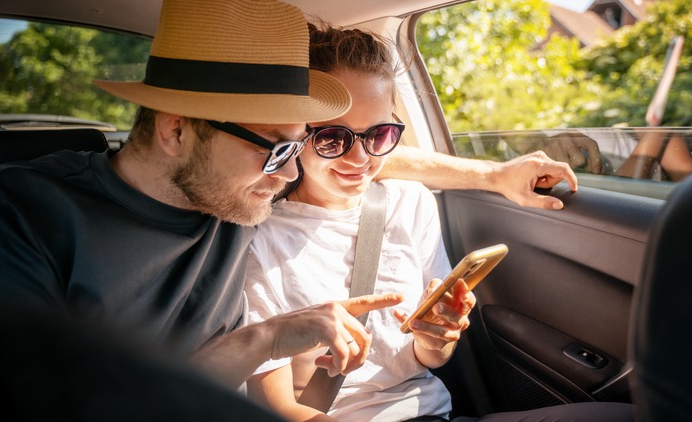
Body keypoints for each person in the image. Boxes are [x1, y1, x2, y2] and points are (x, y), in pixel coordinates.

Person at [0, 0, 577, 413]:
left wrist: (496, 176)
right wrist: (263, 340)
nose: (291, 172)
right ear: (177, 129)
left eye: (297, 148)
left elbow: (368, 156)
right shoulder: (15, 217)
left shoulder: (240, 189)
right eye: (279, 150)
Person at [244, 24, 634, 422]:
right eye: (331, 138)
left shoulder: (410, 203)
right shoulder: (258, 241)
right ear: (294, 133)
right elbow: (271, 407)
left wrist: (438, 336)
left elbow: (429, 357)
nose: (359, 159)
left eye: (378, 135)